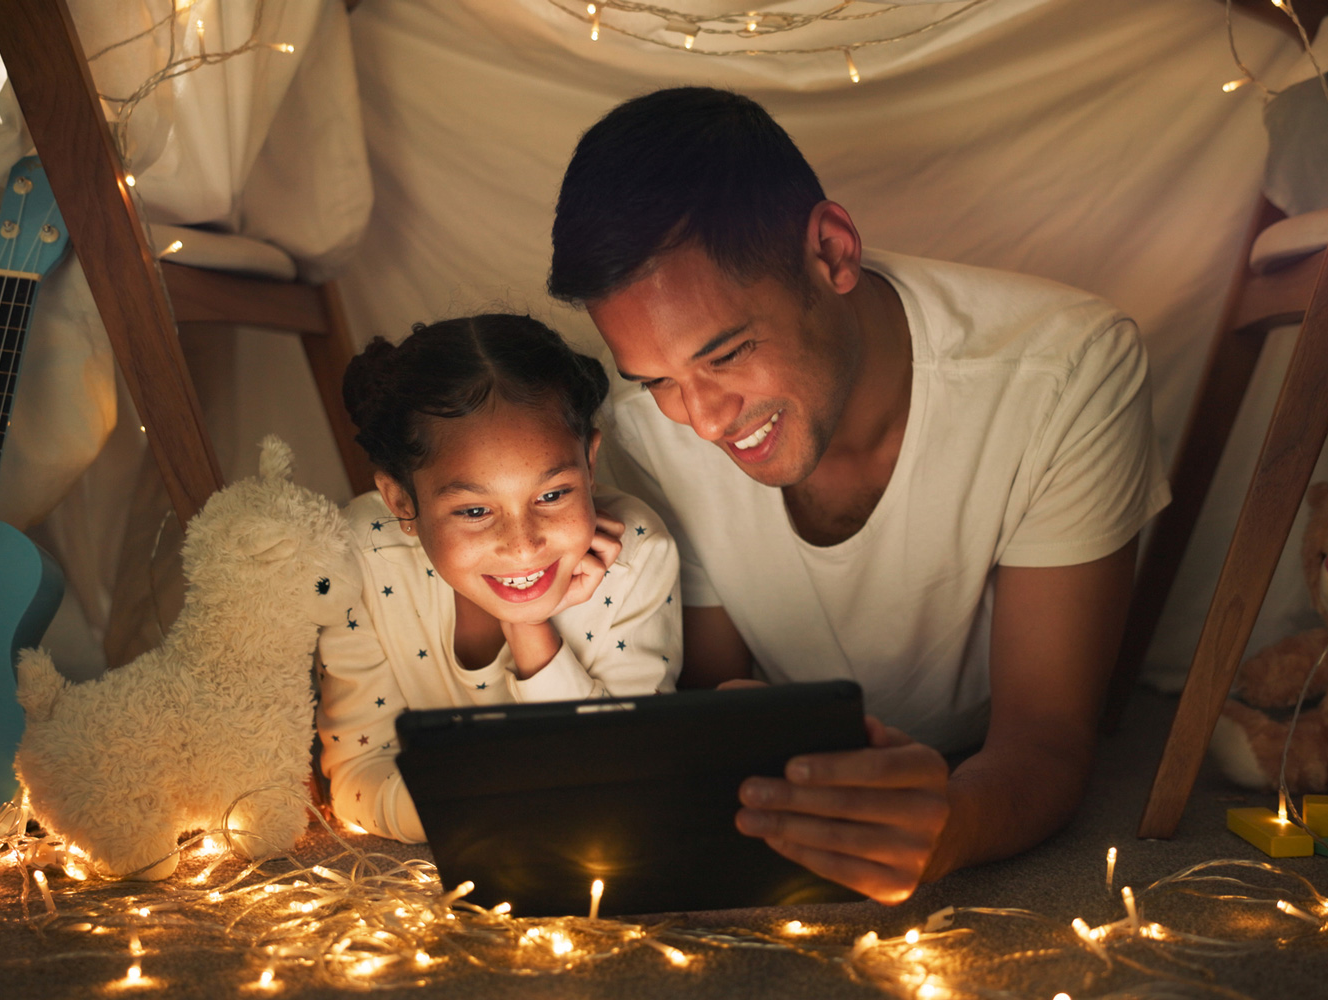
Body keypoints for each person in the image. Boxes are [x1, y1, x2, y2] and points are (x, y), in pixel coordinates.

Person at [549, 88, 1170, 904]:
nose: (701, 419)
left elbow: (1048, 738)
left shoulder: (1065, 369)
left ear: (833, 251)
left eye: (728, 353)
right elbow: (709, 685)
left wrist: (953, 825)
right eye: (659, 379)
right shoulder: (644, 431)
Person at [316, 314, 682, 843]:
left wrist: (529, 626)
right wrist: (508, 814)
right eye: (473, 511)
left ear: (590, 462)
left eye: (553, 495)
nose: (523, 544)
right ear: (401, 501)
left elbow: (624, 776)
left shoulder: (637, 554)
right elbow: (357, 775)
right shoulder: (362, 554)